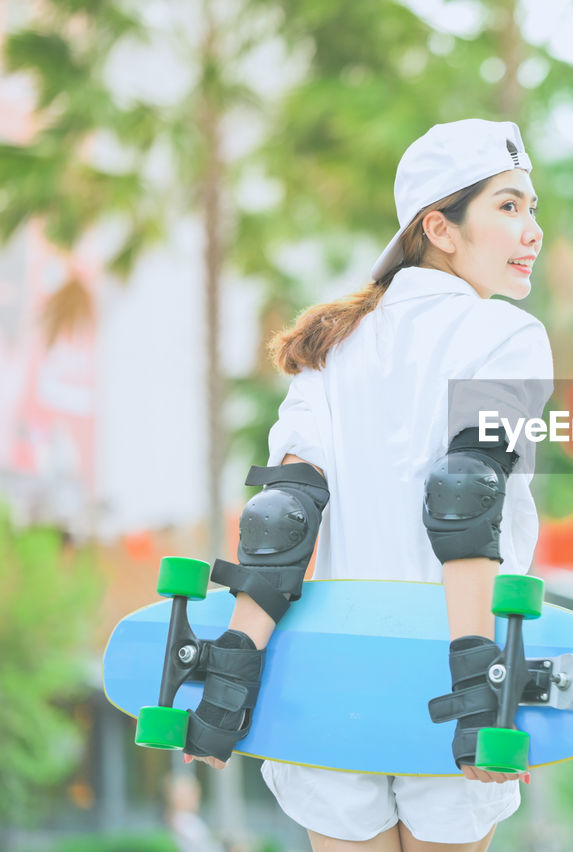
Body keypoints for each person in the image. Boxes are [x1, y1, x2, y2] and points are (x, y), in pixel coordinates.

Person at [182, 119, 553, 852]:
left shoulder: (335, 342)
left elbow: (282, 519)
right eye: (508, 207)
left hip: (334, 668)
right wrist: (476, 674)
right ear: (440, 228)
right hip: (448, 665)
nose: (532, 230)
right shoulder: (505, 335)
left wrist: (233, 669)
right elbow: (467, 491)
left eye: (533, 208)